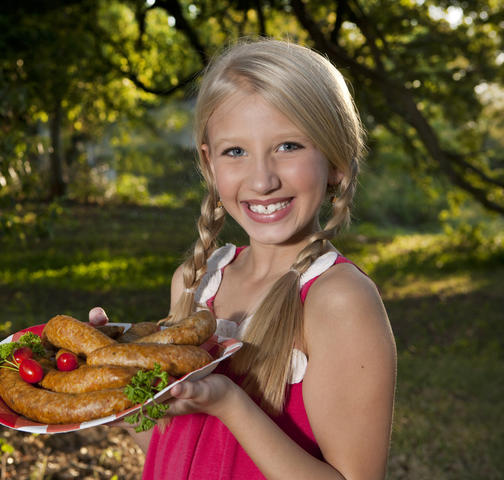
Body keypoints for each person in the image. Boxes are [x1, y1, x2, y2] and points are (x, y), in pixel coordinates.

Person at [90, 38, 397, 480]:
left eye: (288, 146)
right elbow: (178, 445)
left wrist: (230, 403)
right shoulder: (195, 281)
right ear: (209, 163)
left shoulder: (338, 300)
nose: (263, 178)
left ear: (335, 161)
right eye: (236, 151)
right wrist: (118, 393)